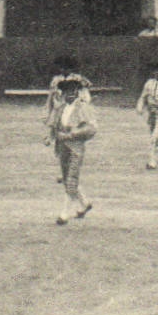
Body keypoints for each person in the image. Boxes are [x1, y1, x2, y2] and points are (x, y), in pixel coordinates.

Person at [48, 77, 95, 224]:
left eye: (73, 91)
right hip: (62, 147)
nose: (70, 94)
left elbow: (91, 129)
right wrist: (50, 137)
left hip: (76, 148)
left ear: (77, 92)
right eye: (67, 91)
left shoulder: (83, 107)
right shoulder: (61, 108)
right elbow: (54, 125)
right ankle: (85, 203)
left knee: (71, 179)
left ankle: (64, 213)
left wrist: (71, 134)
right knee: (67, 178)